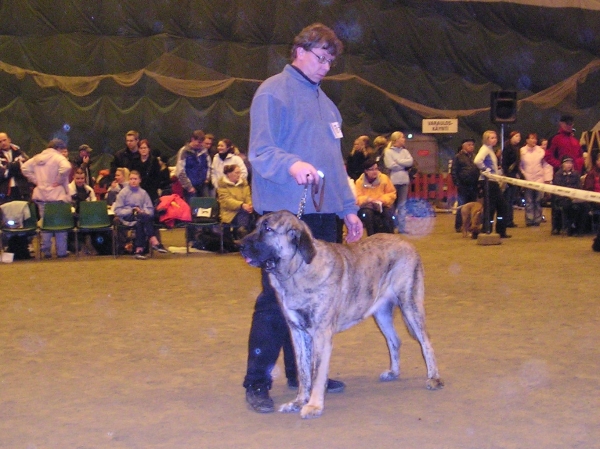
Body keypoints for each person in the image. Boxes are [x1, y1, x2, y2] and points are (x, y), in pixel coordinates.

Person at [243, 22, 363, 413]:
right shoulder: (271, 93)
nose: (327, 67)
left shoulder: (328, 105)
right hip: (284, 222)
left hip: (324, 218)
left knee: (319, 302)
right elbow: (260, 152)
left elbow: (335, 164)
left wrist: (349, 209)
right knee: (275, 302)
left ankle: (304, 376)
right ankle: (258, 382)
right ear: (300, 50)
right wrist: (291, 164)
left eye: (331, 61)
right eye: (321, 57)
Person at [21, 138, 72, 258]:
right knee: (60, 224)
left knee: (45, 223)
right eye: (62, 150)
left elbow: (24, 168)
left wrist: (36, 180)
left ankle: (46, 250)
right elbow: (66, 167)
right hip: (56, 195)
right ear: (58, 148)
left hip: (41, 195)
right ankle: (61, 251)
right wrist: (59, 180)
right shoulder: (58, 157)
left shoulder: (37, 157)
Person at [113, 170, 167, 259]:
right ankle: (153, 240)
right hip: (126, 218)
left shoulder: (143, 193)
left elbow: (150, 210)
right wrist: (131, 210)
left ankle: (138, 250)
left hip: (140, 218)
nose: (133, 181)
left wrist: (142, 211)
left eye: (135, 179)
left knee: (141, 219)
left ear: (139, 180)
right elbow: (117, 210)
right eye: (131, 179)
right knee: (142, 218)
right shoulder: (123, 193)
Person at [473, 130, 511, 238]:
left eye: (495, 137)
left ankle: (496, 230)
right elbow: (477, 161)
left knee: (498, 207)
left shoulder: (490, 150)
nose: (494, 139)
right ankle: (489, 229)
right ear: (486, 139)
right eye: (491, 138)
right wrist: (486, 170)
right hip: (488, 182)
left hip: (492, 181)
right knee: (494, 207)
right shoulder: (485, 149)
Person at [355, 157, 396, 235]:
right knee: (367, 214)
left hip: (382, 205)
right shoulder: (359, 182)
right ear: (366, 171)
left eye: (376, 169)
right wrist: (367, 199)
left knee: (388, 214)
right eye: (372, 169)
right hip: (367, 206)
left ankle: (390, 236)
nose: (375, 171)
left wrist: (383, 199)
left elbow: (392, 193)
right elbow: (357, 198)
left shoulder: (384, 178)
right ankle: (371, 236)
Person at [383, 131, 414, 234]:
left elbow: (410, 162)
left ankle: (402, 227)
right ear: (396, 139)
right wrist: (403, 164)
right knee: (392, 205)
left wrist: (398, 162)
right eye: (402, 137)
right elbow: (390, 165)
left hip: (404, 181)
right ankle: (390, 226)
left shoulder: (405, 151)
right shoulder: (388, 152)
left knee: (402, 205)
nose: (404, 139)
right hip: (393, 180)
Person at [520, 133, 551, 227]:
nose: (534, 141)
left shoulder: (540, 151)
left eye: (535, 139)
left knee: (538, 200)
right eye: (532, 138)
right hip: (527, 179)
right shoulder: (522, 151)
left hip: (539, 179)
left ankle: (537, 219)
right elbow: (520, 165)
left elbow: (546, 165)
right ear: (527, 140)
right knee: (529, 201)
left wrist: (547, 179)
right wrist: (523, 176)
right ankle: (529, 220)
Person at [217, 164, 255, 240]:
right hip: (229, 213)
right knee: (244, 215)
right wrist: (241, 205)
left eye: (239, 173)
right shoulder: (222, 185)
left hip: (244, 210)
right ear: (229, 174)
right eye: (236, 173)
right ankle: (242, 234)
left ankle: (244, 234)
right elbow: (226, 201)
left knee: (253, 214)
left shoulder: (244, 184)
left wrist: (250, 205)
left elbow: (248, 196)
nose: (239, 175)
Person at [451, 138, 481, 233]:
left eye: (472, 145)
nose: (471, 146)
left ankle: (472, 225)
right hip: (463, 185)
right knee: (462, 205)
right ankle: (459, 226)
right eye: (469, 145)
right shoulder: (458, 157)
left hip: (473, 184)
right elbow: (454, 171)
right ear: (464, 146)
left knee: (473, 207)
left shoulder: (474, 156)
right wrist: (457, 183)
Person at [175, 129, 212, 202]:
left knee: (206, 208)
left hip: (203, 184)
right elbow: (180, 171)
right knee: (192, 210)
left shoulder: (204, 151)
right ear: (192, 139)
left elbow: (209, 165)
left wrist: (207, 178)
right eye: (198, 142)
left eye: (202, 143)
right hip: (191, 186)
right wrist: (188, 187)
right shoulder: (184, 152)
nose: (200, 144)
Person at [553, 155, 585, 235]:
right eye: (567, 163)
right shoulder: (558, 175)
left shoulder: (576, 174)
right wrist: (568, 196)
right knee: (569, 207)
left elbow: (579, 187)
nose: (569, 165)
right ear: (562, 164)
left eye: (570, 163)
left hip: (575, 198)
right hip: (562, 199)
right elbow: (558, 189)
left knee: (584, 207)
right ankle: (569, 228)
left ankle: (579, 229)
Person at [131, 139, 164, 203]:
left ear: (149, 149)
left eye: (145, 148)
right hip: (137, 190)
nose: (143, 150)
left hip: (151, 191)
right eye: (141, 148)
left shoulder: (154, 161)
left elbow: (158, 177)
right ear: (139, 149)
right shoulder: (134, 161)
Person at [0, 132, 30, 202]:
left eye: (4, 140)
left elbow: (25, 170)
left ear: (9, 140)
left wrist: (8, 167)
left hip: (21, 189)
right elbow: (1, 174)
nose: (3, 143)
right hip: (5, 191)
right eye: (0, 142)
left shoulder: (19, 152)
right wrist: (16, 165)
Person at [501, 131, 522, 228]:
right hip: (509, 175)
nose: (518, 138)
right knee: (507, 199)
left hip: (514, 174)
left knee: (511, 199)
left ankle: (510, 220)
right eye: (516, 136)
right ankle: (506, 220)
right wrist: (508, 174)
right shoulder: (507, 147)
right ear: (511, 137)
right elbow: (504, 163)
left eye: (519, 136)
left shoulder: (516, 148)